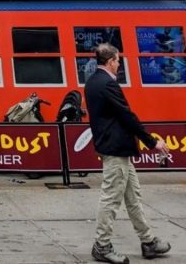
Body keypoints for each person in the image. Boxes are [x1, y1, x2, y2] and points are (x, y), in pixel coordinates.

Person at [85, 43, 171, 263]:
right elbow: (127, 116)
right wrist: (153, 142)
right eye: (118, 60)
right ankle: (101, 246)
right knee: (111, 199)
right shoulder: (107, 84)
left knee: (133, 197)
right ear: (111, 61)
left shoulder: (93, 81)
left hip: (115, 149)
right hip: (116, 149)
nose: (119, 63)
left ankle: (148, 241)